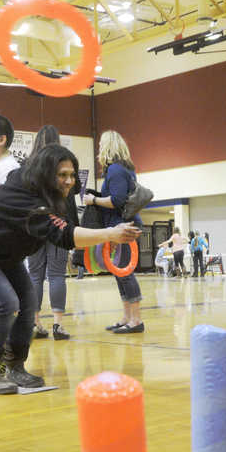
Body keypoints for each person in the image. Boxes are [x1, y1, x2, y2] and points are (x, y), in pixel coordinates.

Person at [0, 144, 140, 394]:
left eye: (72, 175)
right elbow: (64, 235)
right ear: (46, 173)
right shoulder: (25, 197)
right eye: (62, 175)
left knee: (29, 303)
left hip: (4, 254)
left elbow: (64, 227)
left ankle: (15, 367)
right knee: (8, 304)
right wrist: (109, 234)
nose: (69, 181)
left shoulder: (48, 193)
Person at [83, 130, 145, 334]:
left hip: (123, 226)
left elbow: (116, 200)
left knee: (125, 274)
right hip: (121, 225)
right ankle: (127, 317)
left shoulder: (116, 170)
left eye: (101, 144)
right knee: (120, 274)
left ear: (108, 146)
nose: (99, 148)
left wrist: (93, 200)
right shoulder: (123, 169)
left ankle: (136, 320)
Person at [24, 125, 77, 341]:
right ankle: (58, 324)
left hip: (34, 227)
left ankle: (35, 323)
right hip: (58, 225)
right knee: (56, 275)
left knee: (34, 275)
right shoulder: (63, 163)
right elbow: (70, 200)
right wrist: (73, 230)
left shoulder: (28, 167)